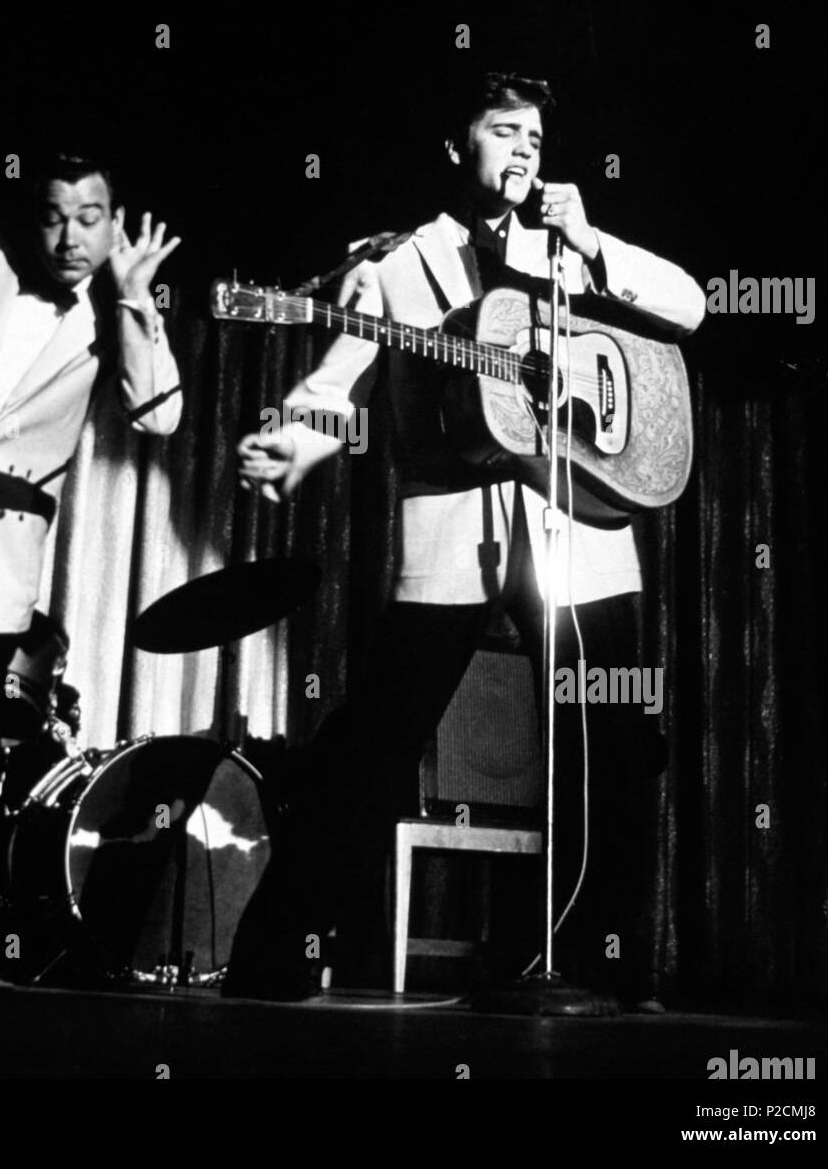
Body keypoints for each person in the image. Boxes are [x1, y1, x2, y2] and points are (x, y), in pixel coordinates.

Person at [225, 70, 706, 1006]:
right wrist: (291, 441)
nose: (525, 149)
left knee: (604, 744)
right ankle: (276, 951)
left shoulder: (572, 252)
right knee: (377, 733)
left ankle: (593, 953)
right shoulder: (399, 264)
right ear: (456, 148)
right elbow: (336, 384)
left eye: (534, 135)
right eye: (502, 130)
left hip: (578, 524)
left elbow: (687, 306)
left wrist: (591, 244)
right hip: (452, 526)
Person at [0, 147, 183, 980]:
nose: (69, 238)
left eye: (89, 219)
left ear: (114, 224)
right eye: (54, 215)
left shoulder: (110, 311)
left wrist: (133, 296)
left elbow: (159, 416)